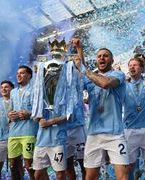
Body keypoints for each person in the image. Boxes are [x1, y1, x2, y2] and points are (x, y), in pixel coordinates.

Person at [74, 48, 129, 180]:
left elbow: (105, 83)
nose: (102, 58)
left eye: (105, 56)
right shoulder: (90, 78)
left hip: (115, 134)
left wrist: (83, 69)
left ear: (112, 60)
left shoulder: (118, 75)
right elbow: (80, 75)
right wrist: (79, 49)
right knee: (90, 177)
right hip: (93, 134)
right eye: (99, 56)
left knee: (122, 177)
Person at [123, 58, 145, 180]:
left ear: (141, 68)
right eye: (130, 65)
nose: (132, 67)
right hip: (130, 130)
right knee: (130, 166)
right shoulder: (123, 84)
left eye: (135, 65)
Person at [8, 65, 38, 180]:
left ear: (29, 75)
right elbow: (10, 109)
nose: (19, 75)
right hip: (14, 132)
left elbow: (39, 110)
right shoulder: (13, 92)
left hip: (29, 132)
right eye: (17, 73)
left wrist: (29, 114)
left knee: (29, 165)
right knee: (13, 164)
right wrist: (9, 114)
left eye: (22, 73)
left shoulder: (34, 89)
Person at [65, 38, 86, 180]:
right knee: (67, 164)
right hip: (63, 128)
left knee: (83, 163)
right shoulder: (57, 85)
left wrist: (79, 49)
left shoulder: (78, 81)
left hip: (78, 127)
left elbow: (81, 66)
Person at [0, 80, 14, 180]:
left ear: (12, 89)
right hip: (0, 139)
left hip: (15, 137)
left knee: (15, 167)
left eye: (6, 87)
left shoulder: (17, 100)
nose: (3, 89)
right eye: (2, 87)